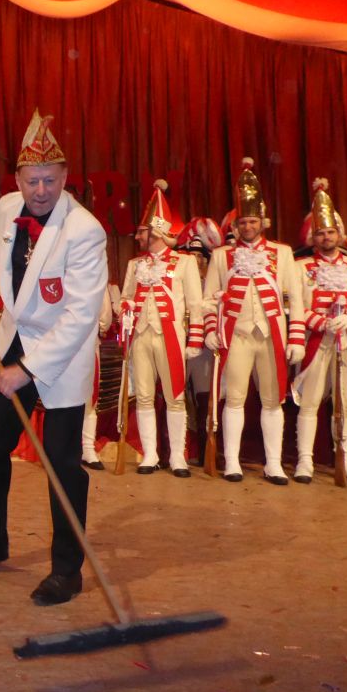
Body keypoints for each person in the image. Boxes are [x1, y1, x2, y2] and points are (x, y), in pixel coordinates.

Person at [0, 109, 107, 607]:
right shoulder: (6, 207)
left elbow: (80, 315)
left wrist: (28, 371)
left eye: (50, 181)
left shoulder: (85, 230)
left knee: (61, 462)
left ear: (65, 177)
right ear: (17, 179)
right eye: (32, 180)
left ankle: (67, 569)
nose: (40, 191)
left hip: (61, 354)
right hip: (13, 339)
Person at [203, 158, 304, 484]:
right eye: (243, 222)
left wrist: (297, 338)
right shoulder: (221, 256)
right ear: (236, 225)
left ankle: (273, 464)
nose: (248, 227)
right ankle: (232, 461)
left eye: (252, 221)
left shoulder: (282, 253)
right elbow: (208, 300)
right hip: (236, 336)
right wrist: (209, 330)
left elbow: (296, 299)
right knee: (234, 399)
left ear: (262, 222)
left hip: (271, 335)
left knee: (273, 400)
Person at [118, 180, 203, 477]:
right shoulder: (134, 264)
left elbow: (195, 304)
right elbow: (125, 297)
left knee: (174, 397)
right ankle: (150, 454)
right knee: (143, 396)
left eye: (142, 231)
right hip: (141, 335)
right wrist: (126, 307)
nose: (138, 236)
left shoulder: (184, 263)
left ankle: (178, 456)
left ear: (155, 231)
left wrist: (195, 339)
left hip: (171, 336)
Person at [292, 179, 347, 483]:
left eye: (331, 231)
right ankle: (304, 461)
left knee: (343, 405)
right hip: (316, 341)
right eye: (320, 232)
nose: (326, 237)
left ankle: (344, 458)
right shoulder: (300, 267)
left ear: (339, 234)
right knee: (310, 402)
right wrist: (319, 322)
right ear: (313, 236)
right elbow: (293, 305)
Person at [176, 216, 222, 466]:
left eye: (198, 256)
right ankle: (178, 451)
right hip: (178, 343)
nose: (194, 260)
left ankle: (207, 452)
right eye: (190, 256)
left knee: (205, 400)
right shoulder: (177, 280)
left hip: (204, 347)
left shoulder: (210, 283)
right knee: (175, 398)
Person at [79, 286, 113, 471]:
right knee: (60, 398)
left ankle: (87, 448)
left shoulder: (96, 279)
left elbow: (105, 317)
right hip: (58, 346)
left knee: (89, 399)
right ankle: (63, 449)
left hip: (88, 344)